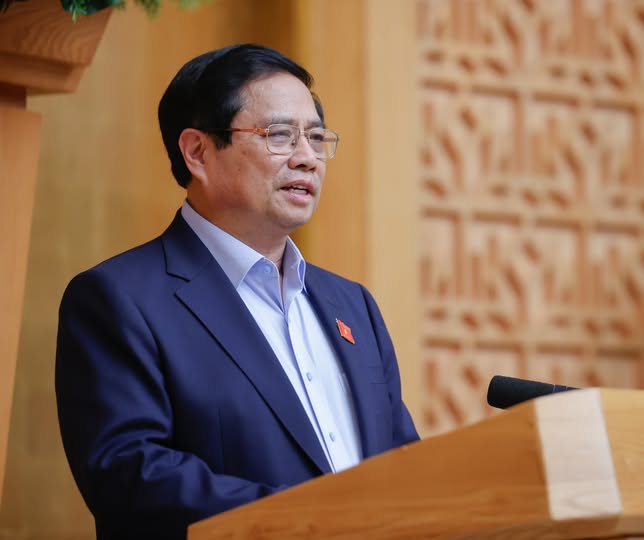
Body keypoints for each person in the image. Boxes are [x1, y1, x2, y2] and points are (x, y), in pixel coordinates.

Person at [55, 43, 420, 540]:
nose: (308, 159)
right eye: (280, 136)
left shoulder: (353, 306)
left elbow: (402, 462)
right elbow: (131, 477)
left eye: (316, 138)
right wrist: (315, 521)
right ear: (198, 152)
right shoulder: (119, 300)